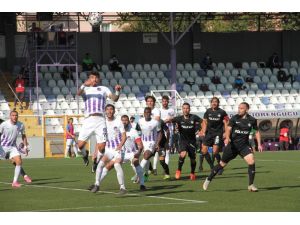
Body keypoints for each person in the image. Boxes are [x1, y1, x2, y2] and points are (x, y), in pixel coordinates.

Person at [203, 102, 263, 192]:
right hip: (233, 146)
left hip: (244, 146)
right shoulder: (235, 118)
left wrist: (259, 144)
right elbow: (228, 129)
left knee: (251, 161)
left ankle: (251, 185)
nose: (239, 109)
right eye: (239, 108)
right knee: (222, 164)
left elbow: (257, 132)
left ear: (247, 109)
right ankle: (209, 178)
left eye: (241, 108)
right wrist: (227, 138)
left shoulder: (252, 120)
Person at [76, 71, 121, 168]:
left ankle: (96, 162)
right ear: (89, 79)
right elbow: (78, 93)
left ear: (99, 79)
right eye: (92, 77)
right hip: (88, 119)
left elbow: (114, 98)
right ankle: (85, 155)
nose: (95, 79)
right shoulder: (86, 89)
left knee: (102, 147)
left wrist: (117, 91)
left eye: (96, 77)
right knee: (80, 146)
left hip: (100, 119)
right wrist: (84, 84)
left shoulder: (104, 89)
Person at [95, 114, 146, 191]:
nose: (124, 122)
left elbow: (140, 145)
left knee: (136, 163)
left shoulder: (133, 131)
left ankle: (142, 184)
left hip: (131, 153)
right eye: (123, 121)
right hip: (120, 153)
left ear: (129, 121)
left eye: (126, 120)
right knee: (108, 166)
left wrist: (138, 152)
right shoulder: (117, 131)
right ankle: (96, 184)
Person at [89, 104, 127, 194]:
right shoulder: (102, 123)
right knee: (100, 165)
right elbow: (99, 138)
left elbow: (124, 136)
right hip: (109, 149)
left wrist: (120, 145)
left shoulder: (118, 122)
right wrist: (95, 152)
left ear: (114, 111)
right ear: (105, 111)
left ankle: (122, 187)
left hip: (118, 149)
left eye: (111, 109)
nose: (109, 111)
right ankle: (97, 185)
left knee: (117, 165)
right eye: (107, 109)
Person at [0, 110, 32, 188]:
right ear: (10, 116)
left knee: (19, 161)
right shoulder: (4, 124)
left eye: (16, 115)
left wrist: (25, 147)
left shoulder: (21, 125)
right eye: (13, 115)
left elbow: (23, 136)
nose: (15, 117)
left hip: (12, 147)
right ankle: (24, 175)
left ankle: (15, 182)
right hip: (2, 146)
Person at [172, 102, 202, 181]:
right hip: (183, 141)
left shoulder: (194, 117)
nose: (185, 110)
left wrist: (201, 130)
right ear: (182, 109)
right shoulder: (179, 118)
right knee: (183, 154)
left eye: (187, 108)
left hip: (192, 141)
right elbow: (170, 120)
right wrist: (163, 122)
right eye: (184, 108)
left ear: (189, 109)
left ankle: (192, 173)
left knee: (193, 159)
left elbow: (203, 122)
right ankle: (178, 170)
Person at [199, 97, 229, 174]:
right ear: (211, 103)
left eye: (216, 102)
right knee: (204, 151)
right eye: (213, 102)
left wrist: (226, 133)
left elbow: (226, 123)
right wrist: (203, 131)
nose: (214, 103)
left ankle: (220, 166)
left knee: (215, 151)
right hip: (209, 134)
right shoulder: (207, 111)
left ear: (218, 103)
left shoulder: (222, 112)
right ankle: (212, 167)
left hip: (218, 134)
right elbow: (204, 122)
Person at [137, 107, 164, 181]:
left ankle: (137, 175)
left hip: (152, 142)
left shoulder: (155, 122)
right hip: (143, 142)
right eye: (145, 112)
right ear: (143, 113)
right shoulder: (140, 121)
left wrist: (157, 144)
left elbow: (160, 133)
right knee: (147, 159)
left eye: (148, 112)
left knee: (146, 155)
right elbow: (137, 131)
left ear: (150, 114)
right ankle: (146, 174)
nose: (147, 114)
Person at [145, 95, 161, 176]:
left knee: (153, 152)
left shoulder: (156, 110)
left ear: (154, 102)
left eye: (151, 101)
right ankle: (150, 169)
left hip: (155, 134)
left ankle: (153, 168)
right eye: (148, 101)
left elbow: (157, 120)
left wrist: (148, 119)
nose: (150, 102)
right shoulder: (145, 111)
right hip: (146, 135)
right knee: (146, 155)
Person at [160, 95, 175, 166]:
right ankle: (154, 168)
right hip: (161, 131)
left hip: (169, 131)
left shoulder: (171, 110)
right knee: (159, 149)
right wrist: (165, 120)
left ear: (168, 102)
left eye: (166, 101)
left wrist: (170, 120)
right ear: (161, 102)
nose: (165, 102)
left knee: (167, 148)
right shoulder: (159, 110)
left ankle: (166, 165)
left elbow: (173, 119)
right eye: (163, 101)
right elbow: (159, 121)